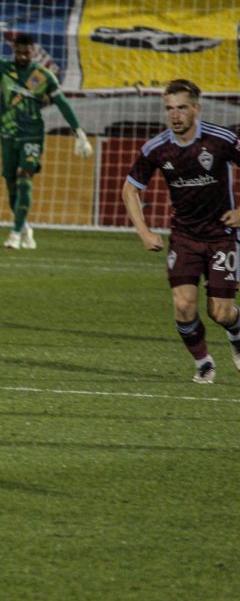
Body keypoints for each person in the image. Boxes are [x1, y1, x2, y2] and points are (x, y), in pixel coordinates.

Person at [122, 79, 240, 385]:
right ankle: (204, 363)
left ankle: (236, 332)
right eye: (169, 109)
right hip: (185, 238)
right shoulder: (157, 148)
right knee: (183, 305)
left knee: (221, 313)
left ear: (196, 109)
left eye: (182, 108)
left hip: (222, 235)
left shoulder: (221, 140)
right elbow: (129, 190)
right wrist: (144, 233)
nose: (175, 115)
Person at [0, 13, 92, 249]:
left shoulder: (42, 76)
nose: (22, 56)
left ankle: (15, 233)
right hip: (7, 136)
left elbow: (63, 103)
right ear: (14, 50)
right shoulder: (3, 68)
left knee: (24, 178)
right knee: (10, 184)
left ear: (33, 51)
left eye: (26, 52)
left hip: (32, 135)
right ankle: (25, 226)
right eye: (18, 52)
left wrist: (78, 132)